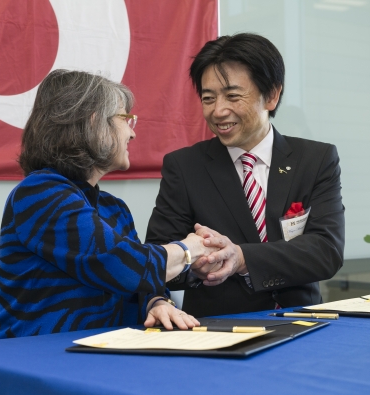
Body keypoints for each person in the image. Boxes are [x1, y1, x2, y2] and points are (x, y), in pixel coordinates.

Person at [0, 69, 217, 339]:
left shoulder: (113, 207)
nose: (132, 134)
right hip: (33, 359)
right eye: (125, 119)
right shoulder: (38, 193)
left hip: (102, 353)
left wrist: (156, 303)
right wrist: (191, 248)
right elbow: (124, 266)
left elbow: (140, 283)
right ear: (94, 122)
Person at [146, 33, 345, 318]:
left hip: (302, 323)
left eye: (233, 96)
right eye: (208, 98)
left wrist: (241, 257)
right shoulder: (185, 166)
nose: (218, 111)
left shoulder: (315, 159)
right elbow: (158, 260)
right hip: (217, 330)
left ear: (272, 95)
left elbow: (326, 251)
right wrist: (195, 262)